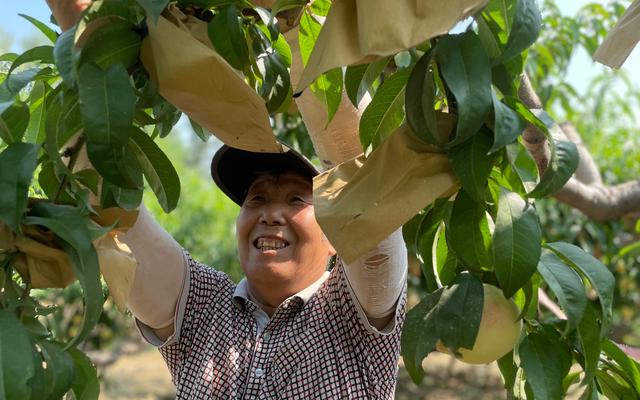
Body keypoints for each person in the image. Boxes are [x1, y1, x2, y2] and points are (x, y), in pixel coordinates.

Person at [46, 1, 409, 399]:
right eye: (256, 198)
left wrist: (296, 21)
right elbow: (111, 215)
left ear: (336, 232)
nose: (271, 213)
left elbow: (363, 187)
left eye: (295, 199)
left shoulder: (354, 311)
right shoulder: (204, 307)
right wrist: (86, 36)